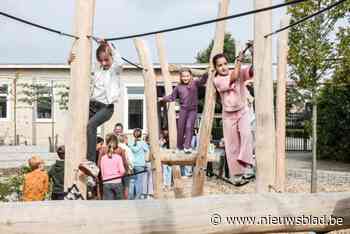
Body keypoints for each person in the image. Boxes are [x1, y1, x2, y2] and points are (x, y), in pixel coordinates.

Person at [68, 38, 123, 178]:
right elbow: (81, 66)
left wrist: (107, 44)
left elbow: (118, 60)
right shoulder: (97, 70)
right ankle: (84, 167)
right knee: (78, 126)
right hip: (93, 105)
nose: (104, 63)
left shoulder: (114, 70)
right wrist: (71, 60)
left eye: (106, 60)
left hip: (106, 107)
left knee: (91, 125)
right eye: (101, 61)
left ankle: (91, 162)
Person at [212, 42, 254, 186]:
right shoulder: (217, 79)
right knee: (232, 145)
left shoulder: (237, 70)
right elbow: (234, 77)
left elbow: (252, 71)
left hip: (242, 111)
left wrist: (253, 51)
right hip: (229, 115)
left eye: (225, 64)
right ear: (216, 68)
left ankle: (247, 167)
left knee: (247, 135)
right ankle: (237, 175)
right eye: (220, 65)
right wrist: (238, 61)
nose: (223, 67)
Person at [160, 68, 208, 154]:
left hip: (193, 110)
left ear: (190, 76)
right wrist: (163, 98)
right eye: (183, 76)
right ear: (181, 77)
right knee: (180, 129)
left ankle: (187, 146)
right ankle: (180, 146)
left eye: (187, 76)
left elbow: (203, 81)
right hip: (183, 110)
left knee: (189, 127)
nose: (185, 78)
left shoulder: (195, 83)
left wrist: (207, 72)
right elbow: (172, 97)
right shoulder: (178, 87)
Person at [100, 134, 126, 200]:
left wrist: (104, 178)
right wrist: (119, 176)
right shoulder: (118, 157)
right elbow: (122, 171)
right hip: (117, 181)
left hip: (106, 182)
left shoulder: (103, 158)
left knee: (109, 204)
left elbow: (101, 170)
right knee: (120, 204)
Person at [129, 128, 148, 199]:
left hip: (132, 164)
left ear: (134, 134)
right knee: (139, 181)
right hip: (140, 164)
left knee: (132, 181)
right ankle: (137, 197)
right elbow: (147, 151)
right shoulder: (143, 143)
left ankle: (131, 196)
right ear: (141, 134)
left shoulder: (131, 143)